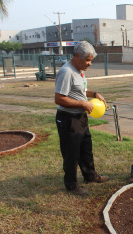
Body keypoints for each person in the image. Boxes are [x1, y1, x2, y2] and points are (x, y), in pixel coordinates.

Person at [55, 41, 108, 196]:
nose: (90, 64)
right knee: (72, 153)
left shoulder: (79, 70)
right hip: (68, 119)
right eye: (87, 60)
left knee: (86, 147)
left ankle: (90, 175)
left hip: (81, 117)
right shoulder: (67, 72)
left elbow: (81, 90)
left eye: (91, 60)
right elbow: (59, 99)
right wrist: (82, 103)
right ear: (77, 56)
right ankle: (71, 185)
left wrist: (94, 94)